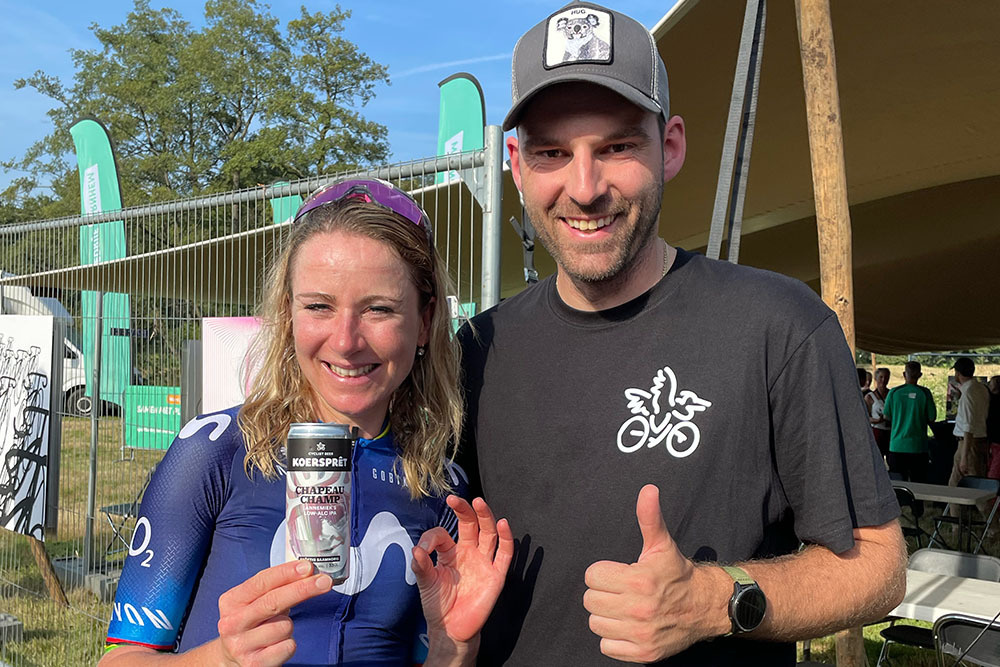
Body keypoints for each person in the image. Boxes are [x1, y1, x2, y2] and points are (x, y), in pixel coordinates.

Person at [457, 3, 906, 665]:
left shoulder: (777, 325)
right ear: (517, 166)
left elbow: (878, 564)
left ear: (670, 148)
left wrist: (712, 599)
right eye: (554, 152)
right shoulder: (475, 351)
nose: (584, 187)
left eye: (616, 146)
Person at [101, 179, 513, 666]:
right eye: (319, 306)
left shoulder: (444, 487)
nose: (345, 341)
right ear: (289, 313)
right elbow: (120, 658)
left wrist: (455, 647)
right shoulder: (213, 450)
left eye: (378, 309)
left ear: (424, 322)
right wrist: (221, 658)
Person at [882, 361, 936, 482]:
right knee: (919, 483)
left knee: (898, 484)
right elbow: (932, 417)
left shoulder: (894, 392)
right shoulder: (925, 393)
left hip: (897, 445)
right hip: (919, 446)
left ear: (904, 374)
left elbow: (886, 416)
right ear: (920, 375)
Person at [948, 356, 990, 486]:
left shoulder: (968, 393)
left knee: (963, 486)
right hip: (979, 441)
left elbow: (968, 426)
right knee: (976, 484)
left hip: (967, 444)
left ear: (958, 373)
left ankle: (986, 507)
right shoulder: (981, 388)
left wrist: (964, 457)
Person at [866, 367, 891, 459]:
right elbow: (866, 418)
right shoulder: (869, 397)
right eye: (881, 377)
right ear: (876, 379)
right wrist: (877, 420)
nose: (883, 380)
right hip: (877, 432)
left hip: (891, 432)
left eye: (886, 377)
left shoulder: (892, 394)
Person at [987, 375, 1000, 479]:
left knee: (993, 472)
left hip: (996, 440)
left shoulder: (991, 400)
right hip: (993, 440)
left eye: (991, 383)